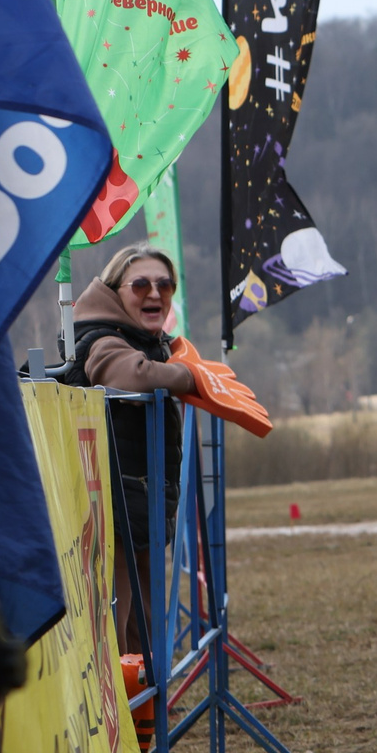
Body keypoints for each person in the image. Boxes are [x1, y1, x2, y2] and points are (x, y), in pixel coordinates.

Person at [66, 243, 263, 650]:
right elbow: (134, 376)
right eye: (140, 285)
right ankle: (119, 714)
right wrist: (192, 377)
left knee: (147, 635)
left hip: (141, 506)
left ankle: (146, 713)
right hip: (106, 512)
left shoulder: (150, 340)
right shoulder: (101, 339)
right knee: (112, 638)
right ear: (114, 291)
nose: (154, 293)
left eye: (165, 284)